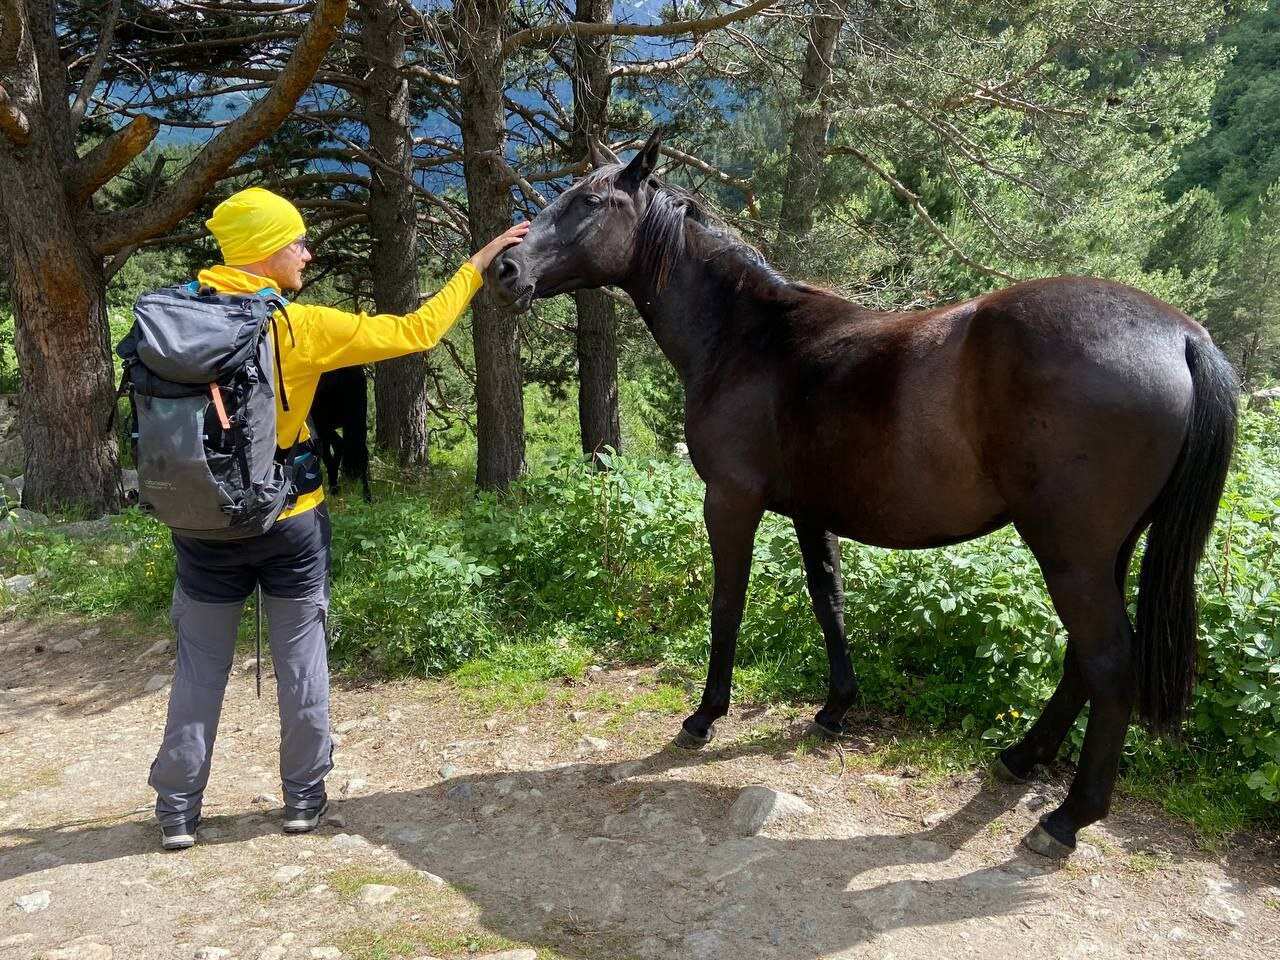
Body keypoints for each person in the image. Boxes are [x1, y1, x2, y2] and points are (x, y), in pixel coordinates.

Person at [148, 186, 527, 850]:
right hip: (289, 521)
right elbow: (417, 331)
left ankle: (177, 811)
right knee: (300, 661)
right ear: (265, 254)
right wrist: (477, 263)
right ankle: (302, 800)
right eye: (296, 241)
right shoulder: (297, 325)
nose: (307, 252)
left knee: (200, 667)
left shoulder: (171, 317)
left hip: (200, 523)